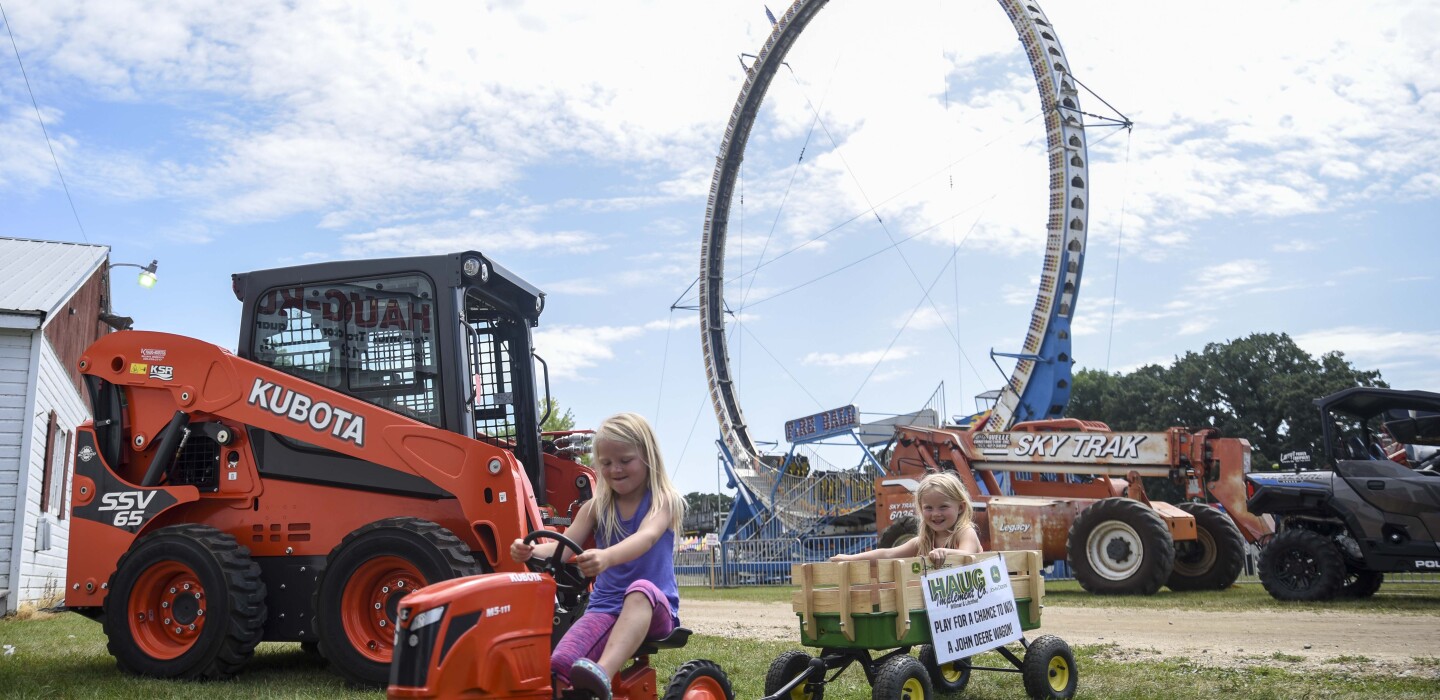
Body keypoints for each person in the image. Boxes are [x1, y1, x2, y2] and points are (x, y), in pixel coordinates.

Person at [509, 412, 685, 700]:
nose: (615, 469)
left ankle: (602, 672)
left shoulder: (663, 500)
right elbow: (563, 547)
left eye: (625, 460)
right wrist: (530, 550)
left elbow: (646, 537)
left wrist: (606, 557)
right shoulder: (595, 508)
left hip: (654, 608)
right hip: (605, 607)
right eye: (606, 463)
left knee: (639, 591)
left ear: (648, 457)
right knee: (560, 665)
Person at [831, 471, 982, 566]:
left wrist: (945, 552)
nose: (936, 513)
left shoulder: (965, 532)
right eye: (929, 508)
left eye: (943, 507)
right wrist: (851, 558)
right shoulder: (923, 541)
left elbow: (967, 554)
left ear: (961, 507)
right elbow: (888, 554)